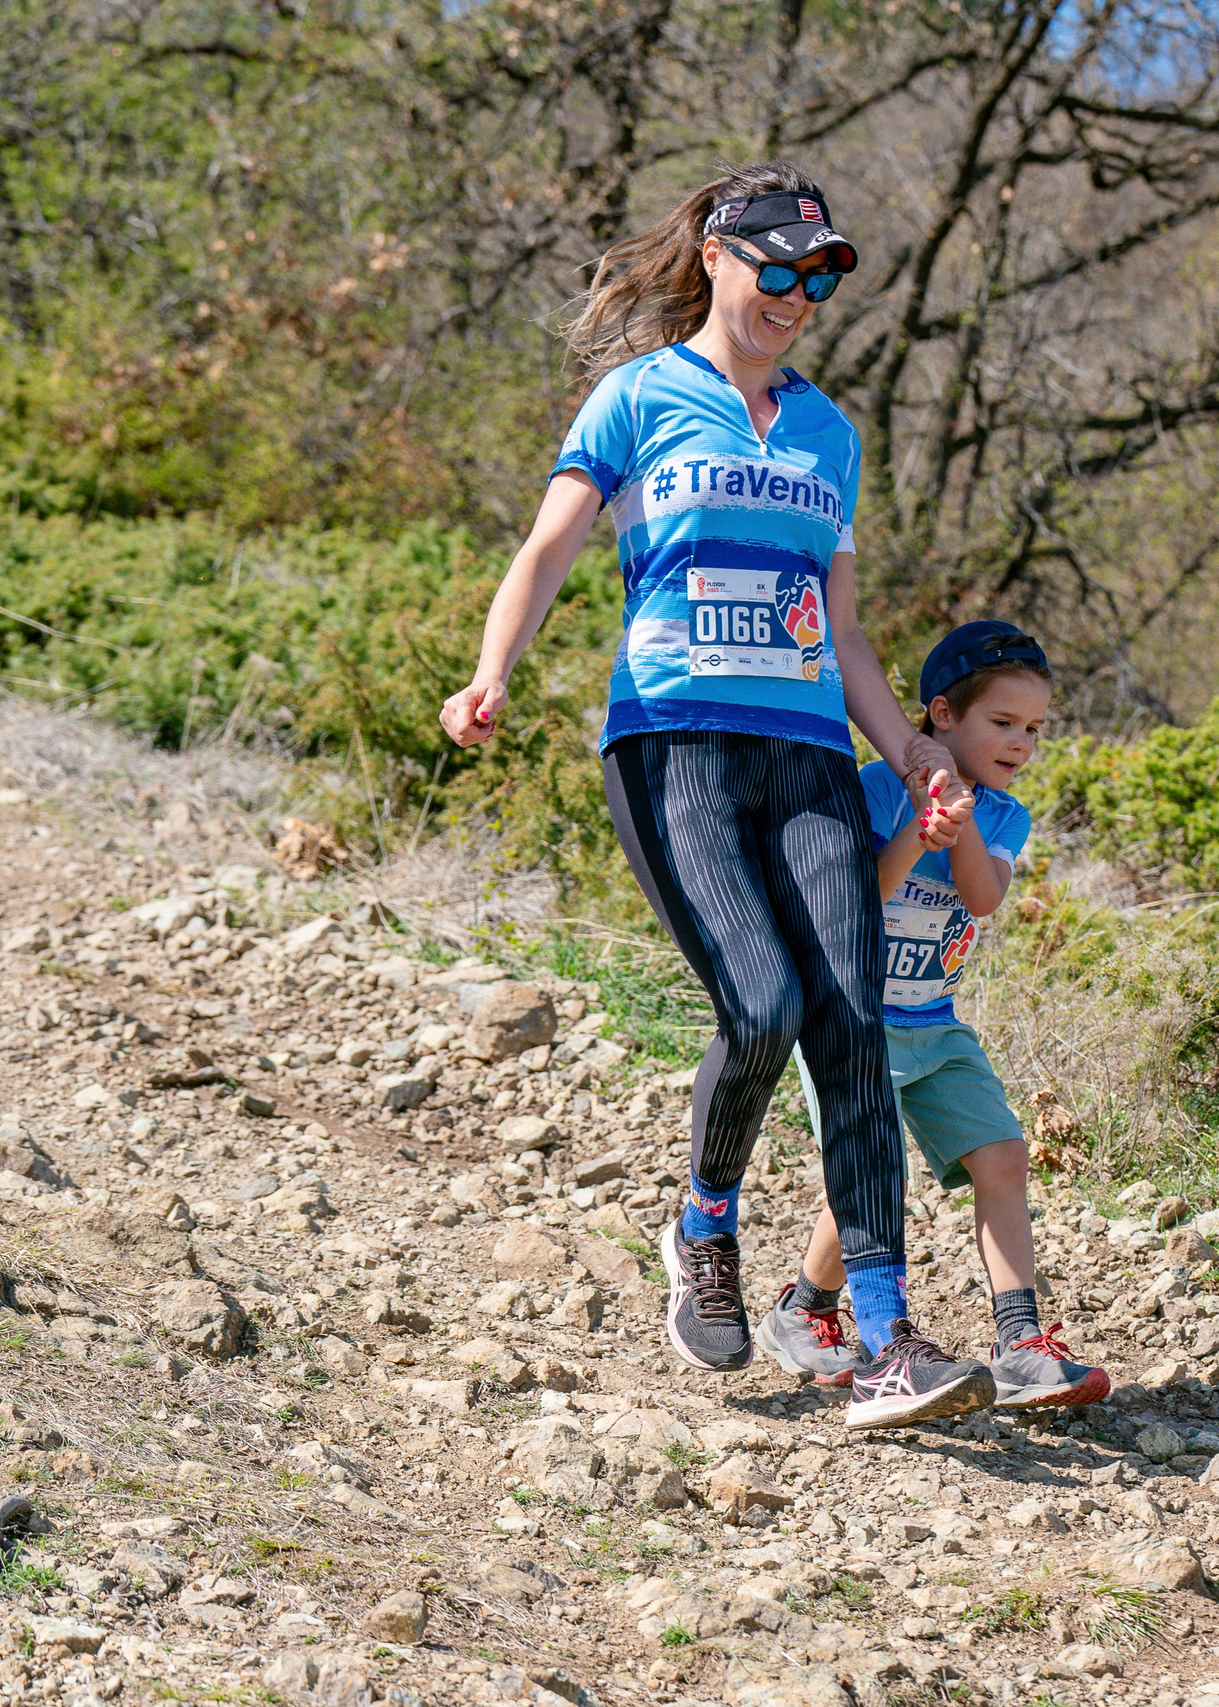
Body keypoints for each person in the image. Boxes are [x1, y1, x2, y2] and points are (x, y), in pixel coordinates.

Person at [440, 162, 994, 1429]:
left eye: (821, 276)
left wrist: (909, 747)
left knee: (852, 1018)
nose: (800, 294)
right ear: (718, 257)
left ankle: (885, 1336)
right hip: (674, 740)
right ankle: (704, 1228)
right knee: (760, 1006)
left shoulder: (829, 432)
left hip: (808, 755)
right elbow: (547, 550)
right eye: (781, 268)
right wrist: (489, 677)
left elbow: (844, 632)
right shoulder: (636, 398)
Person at [759, 621, 1112, 1423]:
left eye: (1034, 728)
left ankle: (1020, 1343)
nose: (1021, 742)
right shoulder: (871, 787)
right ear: (941, 715)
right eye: (1003, 723)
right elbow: (852, 901)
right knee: (875, 1165)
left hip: (936, 1017)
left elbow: (983, 898)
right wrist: (919, 827)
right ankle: (806, 1306)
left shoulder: (1004, 815)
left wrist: (957, 828)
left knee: (1003, 1155)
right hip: (852, 1017)